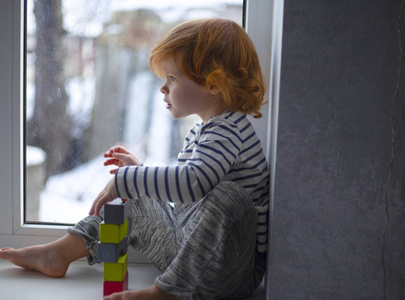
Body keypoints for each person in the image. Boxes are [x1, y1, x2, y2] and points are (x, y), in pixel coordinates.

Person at [0, 18, 269, 300]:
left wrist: (130, 179)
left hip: (230, 271)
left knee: (227, 196)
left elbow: (195, 183)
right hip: (190, 258)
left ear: (213, 84)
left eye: (173, 79)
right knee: (136, 198)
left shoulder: (229, 129)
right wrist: (140, 177)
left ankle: (168, 294)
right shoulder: (207, 128)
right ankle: (61, 252)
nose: (163, 88)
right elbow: (187, 197)